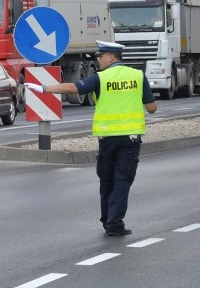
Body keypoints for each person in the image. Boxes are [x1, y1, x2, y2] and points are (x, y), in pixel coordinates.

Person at [25, 40, 157, 237]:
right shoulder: (138, 76)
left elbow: (72, 89)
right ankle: (115, 223)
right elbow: (152, 108)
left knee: (106, 180)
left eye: (100, 56)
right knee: (122, 180)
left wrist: (44, 89)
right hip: (130, 138)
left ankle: (107, 220)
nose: (98, 59)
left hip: (107, 138)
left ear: (111, 57)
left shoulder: (100, 78)